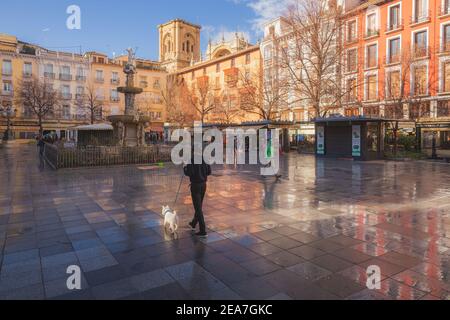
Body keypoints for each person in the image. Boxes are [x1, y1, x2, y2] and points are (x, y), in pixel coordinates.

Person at [183, 152, 212, 238]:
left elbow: (189, 173)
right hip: (203, 185)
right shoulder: (205, 159)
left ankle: (203, 230)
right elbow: (209, 172)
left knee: (198, 208)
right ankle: (193, 223)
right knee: (199, 206)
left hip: (195, 186)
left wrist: (185, 167)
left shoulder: (191, 160)